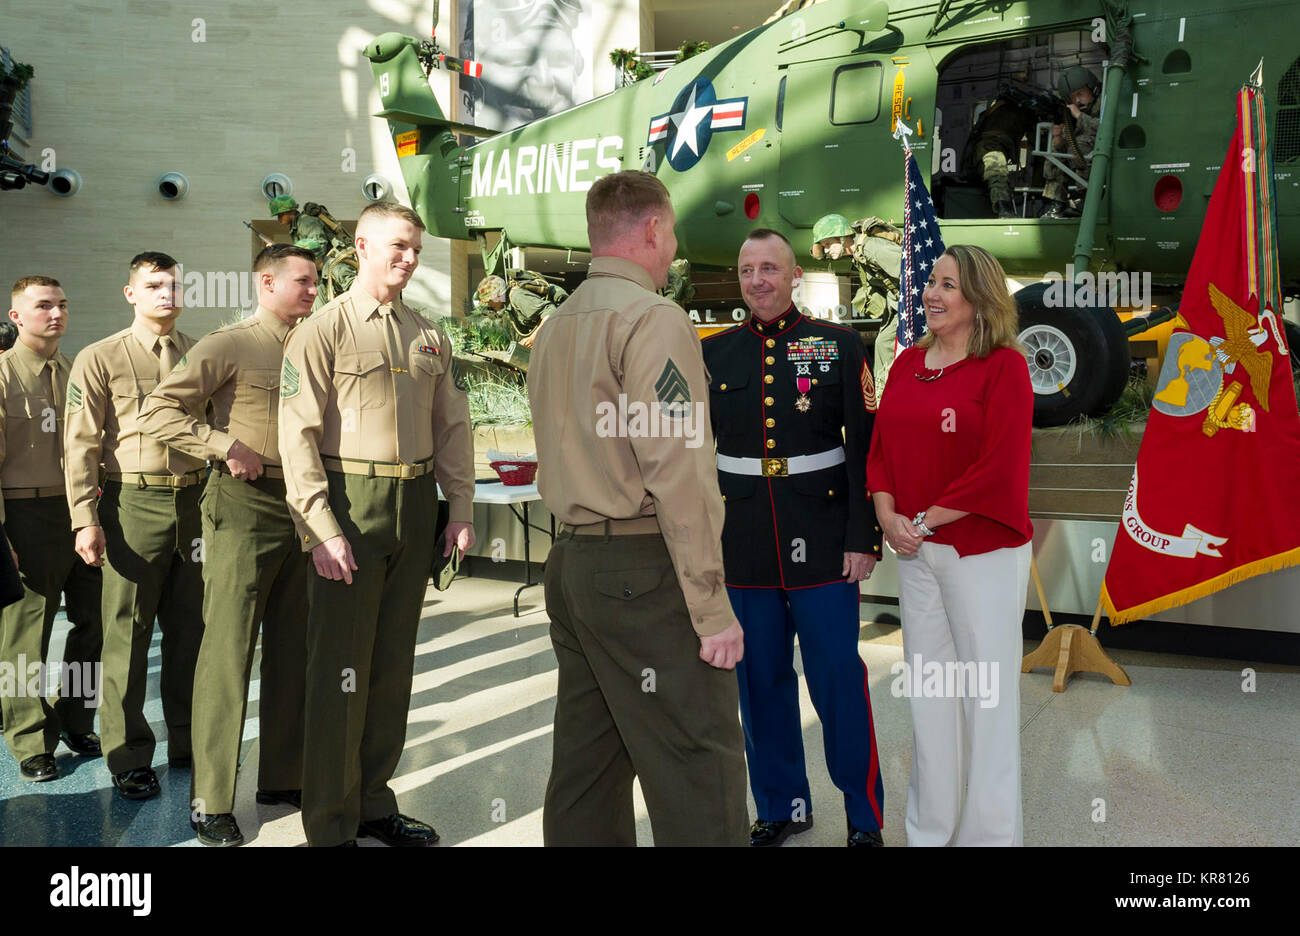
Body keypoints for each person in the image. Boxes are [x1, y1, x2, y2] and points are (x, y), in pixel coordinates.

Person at [527, 169, 749, 847]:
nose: (673, 245)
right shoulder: (653, 318)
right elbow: (676, 468)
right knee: (696, 759)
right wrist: (711, 608)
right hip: (643, 572)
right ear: (652, 230)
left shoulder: (557, 324)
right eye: (673, 230)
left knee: (588, 765)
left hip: (573, 564)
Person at [278, 201, 476, 848]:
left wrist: (461, 509)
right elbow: (296, 433)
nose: (408, 258)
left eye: (415, 248)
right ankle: (330, 825)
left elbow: (453, 427)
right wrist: (320, 527)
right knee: (340, 672)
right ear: (360, 245)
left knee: (391, 669)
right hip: (350, 505)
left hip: (414, 508)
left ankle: (373, 803)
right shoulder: (322, 330)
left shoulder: (428, 335)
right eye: (396, 245)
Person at [701, 229, 886, 848]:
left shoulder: (838, 346)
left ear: (795, 274)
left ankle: (863, 816)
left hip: (826, 537)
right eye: (748, 268)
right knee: (759, 681)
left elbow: (865, 449)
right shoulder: (716, 352)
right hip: (745, 540)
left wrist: (865, 538)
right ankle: (784, 805)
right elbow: (697, 454)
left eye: (770, 268)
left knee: (836, 678)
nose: (758, 280)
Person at [137, 245, 318, 846]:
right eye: (303, 281)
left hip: (306, 508)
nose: (314, 290)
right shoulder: (229, 343)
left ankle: (282, 776)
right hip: (245, 505)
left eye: (318, 281)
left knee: (294, 647)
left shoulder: (317, 344)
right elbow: (157, 411)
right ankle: (212, 797)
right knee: (228, 649)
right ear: (267, 282)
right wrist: (221, 443)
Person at [865, 244, 1033, 847]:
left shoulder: (1005, 369)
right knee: (930, 698)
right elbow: (880, 447)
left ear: (980, 299)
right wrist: (887, 513)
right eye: (930, 282)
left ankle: (990, 838)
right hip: (914, 552)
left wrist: (924, 520)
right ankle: (930, 834)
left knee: (986, 704)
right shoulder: (907, 364)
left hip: (980, 553)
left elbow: (999, 467)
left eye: (947, 286)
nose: (931, 294)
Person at [64, 252, 206, 801]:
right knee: (126, 634)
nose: (165, 294)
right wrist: (85, 518)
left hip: (194, 503)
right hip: (132, 504)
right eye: (152, 286)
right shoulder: (101, 358)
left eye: (172, 285)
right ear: (130, 294)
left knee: (191, 630)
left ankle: (190, 741)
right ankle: (127, 755)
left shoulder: (200, 354)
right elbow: (78, 445)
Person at [0, 276, 102, 782]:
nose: (56, 313)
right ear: (17, 315)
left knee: (94, 622)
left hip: (81, 511)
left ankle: (76, 718)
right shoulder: (1, 375)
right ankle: (28, 738)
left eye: (62, 304)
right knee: (25, 636)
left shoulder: (77, 370)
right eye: (43, 306)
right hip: (24, 515)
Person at [1041, 66, 1102, 218]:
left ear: (1092, 88)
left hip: (1102, 156)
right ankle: (1058, 202)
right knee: (1054, 151)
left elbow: (1106, 128)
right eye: (1072, 97)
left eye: (1080, 93)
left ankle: (1085, 199)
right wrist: (1057, 138)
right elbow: (1066, 146)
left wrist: (1079, 116)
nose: (1077, 100)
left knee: (1081, 143)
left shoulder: (1104, 102)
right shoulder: (1071, 114)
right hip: (1083, 158)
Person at [963, 97, 1037, 218]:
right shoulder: (1011, 112)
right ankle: (1003, 209)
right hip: (989, 147)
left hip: (994, 146)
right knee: (996, 171)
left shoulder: (999, 111)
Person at [473, 270, 567, 348]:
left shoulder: (517, 297)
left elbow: (550, 312)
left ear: (498, 295)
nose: (489, 305)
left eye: (489, 300)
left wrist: (532, 339)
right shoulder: (508, 306)